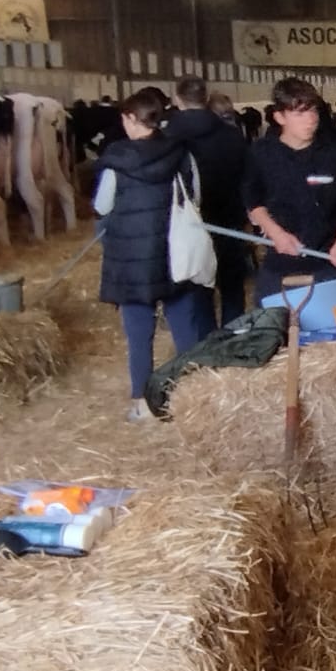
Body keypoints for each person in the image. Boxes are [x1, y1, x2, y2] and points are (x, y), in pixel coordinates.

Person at [94, 86, 211, 422]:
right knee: (184, 327)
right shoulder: (182, 153)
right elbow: (196, 198)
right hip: (176, 253)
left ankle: (143, 404)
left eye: (125, 118)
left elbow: (102, 205)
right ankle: (190, 398)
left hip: (131, 259)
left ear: (132, 119)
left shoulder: (116, 158)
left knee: (139, 332)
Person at [243, 77, 336, 306]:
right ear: (280, 117)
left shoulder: (334, 154)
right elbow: (253, 200)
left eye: (313, 111)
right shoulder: (262, 153)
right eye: (299, 113)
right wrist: (276, 233)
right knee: (274, 333)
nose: (311, 120)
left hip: (327, 262)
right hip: (279, 264)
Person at [165, 75, 252, 327]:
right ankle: (232, 334)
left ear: (177, 98)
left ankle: (204, 340)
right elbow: (247, 177)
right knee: (232, 282)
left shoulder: (168, 137)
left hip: (187, 224)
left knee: (196, 284)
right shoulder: (232, 135)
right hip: (230, 218)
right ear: (205, 98)